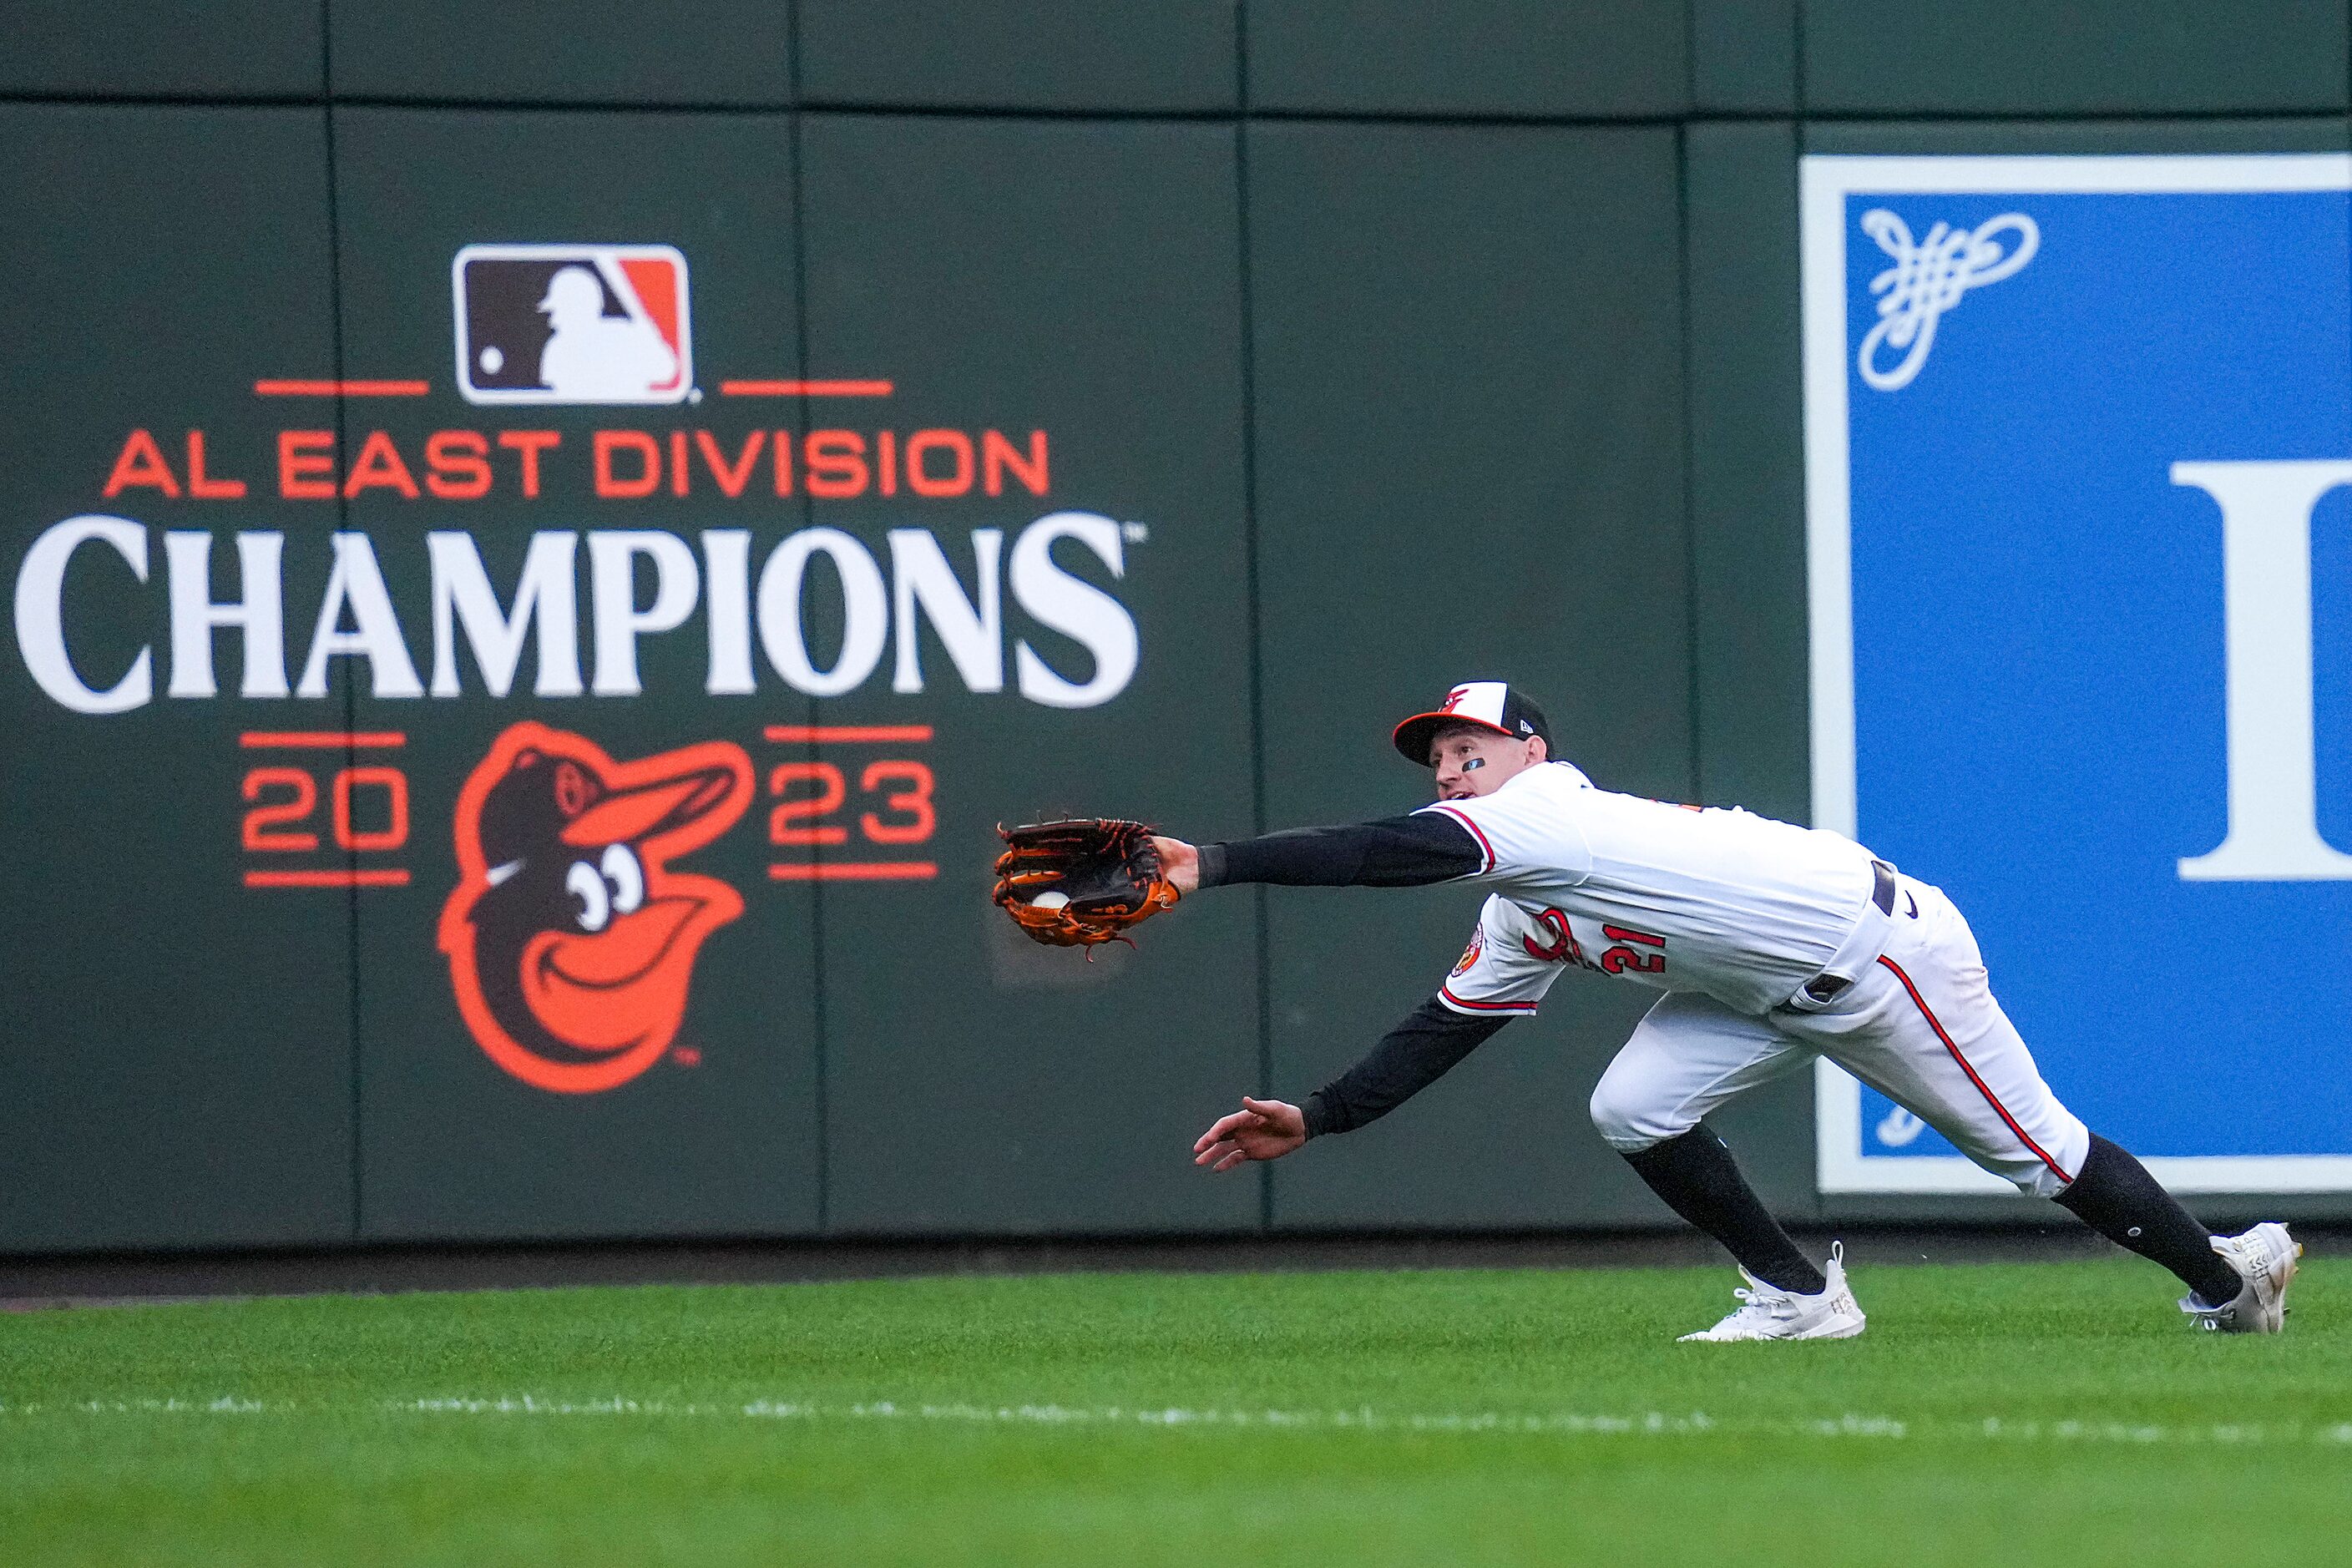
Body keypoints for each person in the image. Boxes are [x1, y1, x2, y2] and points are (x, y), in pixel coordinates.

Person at [1171, 680, 2299, 1340]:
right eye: (1439, 760)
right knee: (1632, 1105)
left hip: (1880, 952)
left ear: (1533, 753)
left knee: (2033, 1152)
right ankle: (1799, 1295)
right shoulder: (1521, 899)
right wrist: (1319, 1115)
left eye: (1471, 750)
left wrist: (1208, 863)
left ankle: (2228, 1283)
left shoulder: (1547, 815)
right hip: (1755, 989)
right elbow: (1443, 1026)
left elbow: (1378, 851)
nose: (1452, 771)